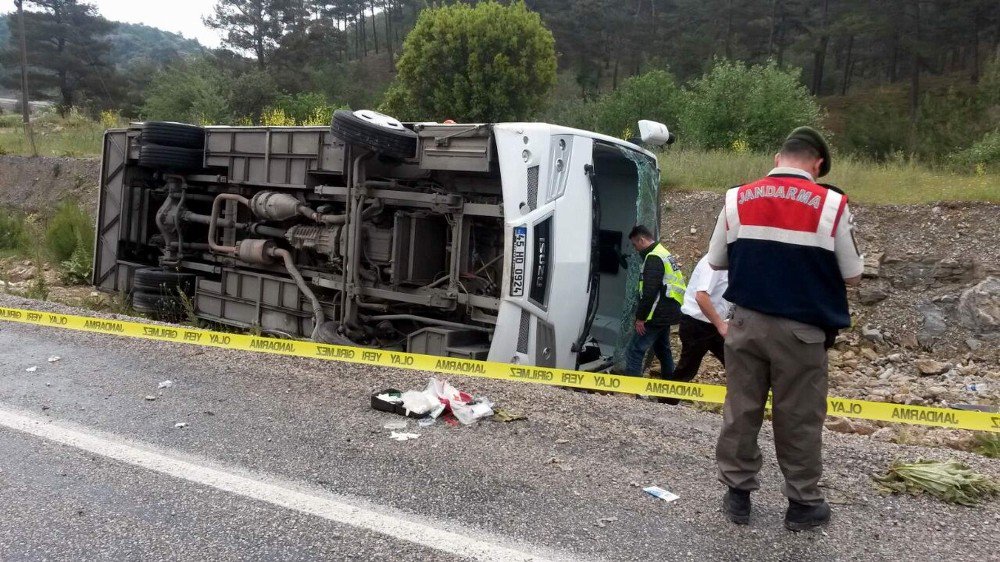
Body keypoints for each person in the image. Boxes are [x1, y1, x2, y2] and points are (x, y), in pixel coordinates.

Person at [706, 127, 863, 531]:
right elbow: (853, 274)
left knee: (741, 409)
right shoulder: (832, 203)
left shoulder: (736, 198)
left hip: (745, 323)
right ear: (818, 164)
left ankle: (738, 498)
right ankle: (802, 505)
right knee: (799, 416)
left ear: (778, 159)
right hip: (802, 331)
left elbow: (717, 260)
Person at [660, 254, 730, 404]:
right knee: (687, 369)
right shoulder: (713, 263)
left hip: (713, 324)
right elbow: (701, 297)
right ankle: (665, 404)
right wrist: (720, 324)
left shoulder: (729, 264)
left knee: (736, 364)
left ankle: (739, 407)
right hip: (697, 325)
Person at [622, 225, 686, 379]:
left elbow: (650, 292)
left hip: (655, 314)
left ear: (642, 240)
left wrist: (641, 317)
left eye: (635, 245)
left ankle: (631, 392)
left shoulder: (654, 258)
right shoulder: (664, 253)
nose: (636, 249)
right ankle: (668, 392)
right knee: (663, 350)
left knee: (635, 350)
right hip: (668, 312)